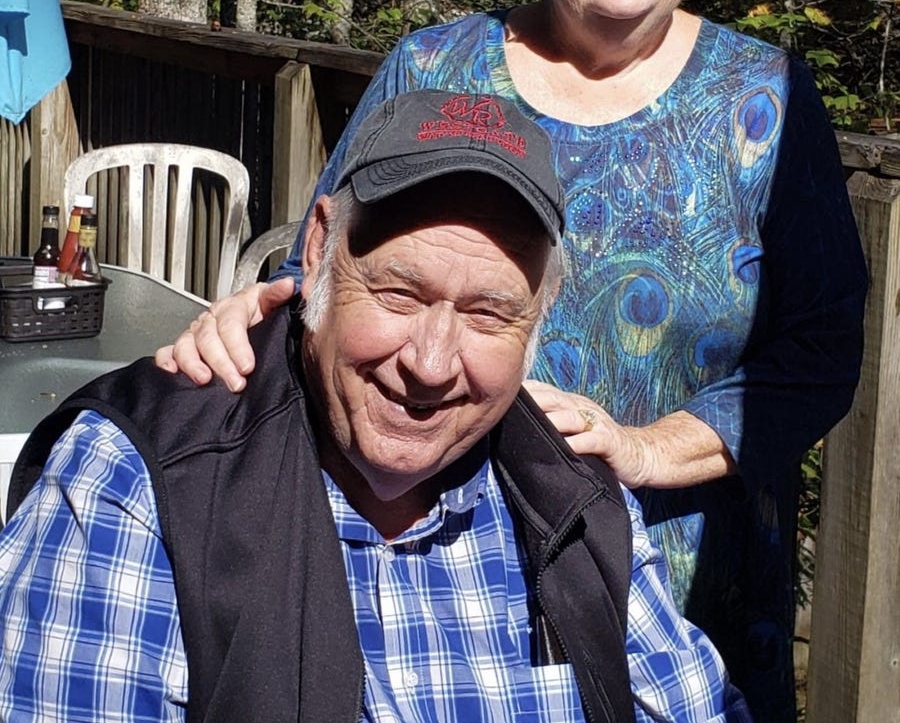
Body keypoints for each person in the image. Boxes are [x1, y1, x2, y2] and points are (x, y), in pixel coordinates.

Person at [156, 0, 868, 719]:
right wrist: (246, 319)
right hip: (449, 600)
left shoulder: (769, 101)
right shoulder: (437, 70)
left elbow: (823, 349)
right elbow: (329, 272)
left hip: (692, 588)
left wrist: (648, 449)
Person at [0, 90, 750, 723]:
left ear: (540, 316)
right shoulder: (143, 483)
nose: (431, 363)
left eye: (489, 314)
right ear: (319, 248)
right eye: (399, 292)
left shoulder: (572, 497)